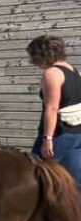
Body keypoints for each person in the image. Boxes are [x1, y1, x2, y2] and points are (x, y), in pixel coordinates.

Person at [26, 34, 81, 191]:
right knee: (73, 181)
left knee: (38, 176)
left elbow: (52, 108)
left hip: (59, 135)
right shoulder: (75, 72)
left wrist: (47, 138)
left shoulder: (52, 73)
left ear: (42, 55)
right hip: (76, 133)